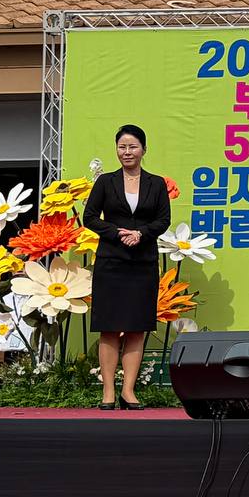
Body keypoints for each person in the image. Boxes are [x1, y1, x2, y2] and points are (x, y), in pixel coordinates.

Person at [82, 126, 171, 410]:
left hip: (142, 263)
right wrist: (116, 232)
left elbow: (163, 219)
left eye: (132, 147)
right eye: (122, 147)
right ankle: (108, 391)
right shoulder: (106, 182)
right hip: (111, 261)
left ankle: (128, 392)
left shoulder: (156, 184)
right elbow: (90, 217)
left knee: (136, 328)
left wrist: (142, 233)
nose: (127, 152)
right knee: (109, 328)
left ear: (143, 149)